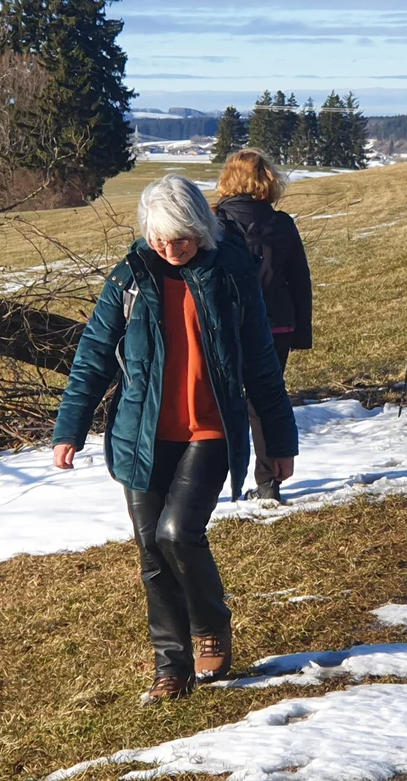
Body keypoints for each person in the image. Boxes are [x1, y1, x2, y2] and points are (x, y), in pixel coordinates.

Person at [51, 175, 298, 703]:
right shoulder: (131, 278)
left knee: (178, 533)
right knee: (151, 552)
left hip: (209, 430)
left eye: (180, 238)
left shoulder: (232, 274)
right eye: (160, 240)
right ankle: (171, 665)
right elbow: (93, 354)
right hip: (140, 435)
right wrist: (68, 429)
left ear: (201, 229)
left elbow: (260, 362)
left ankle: (211, 623)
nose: (170, 249)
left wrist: (279, 442)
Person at [213, 149, 313, 503]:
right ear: (268, 180)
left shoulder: (214, 223)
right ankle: (268, 481)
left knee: (220, 401)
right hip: (277, 325)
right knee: (266, 400)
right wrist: (302, 332)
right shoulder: (281, 223)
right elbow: (300, 280)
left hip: (227, 327)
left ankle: (208, 481)